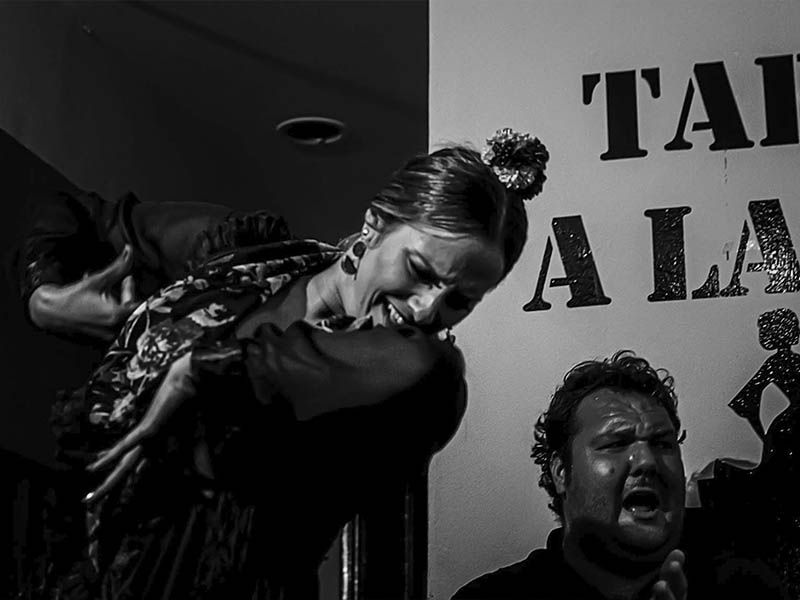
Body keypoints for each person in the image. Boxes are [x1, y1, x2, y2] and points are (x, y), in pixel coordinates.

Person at [15, 129, 549, 599]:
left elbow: (403, 370)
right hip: (60, 566)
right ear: (373, 226)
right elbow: (80, 215)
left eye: (461, 300)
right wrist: (45, 296)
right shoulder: (245, 256)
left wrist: (202, 369)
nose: (429, 309)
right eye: (419, 270)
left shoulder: (415, 380)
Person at [453, 351, 788, 600]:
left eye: (662, 444)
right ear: (560, 472)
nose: (647, 461)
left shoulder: (748, 587)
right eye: (615, 443)